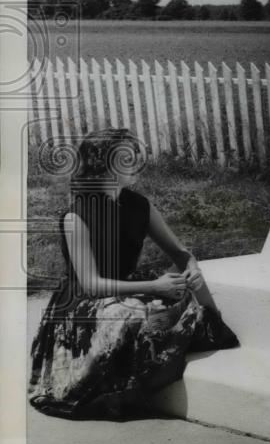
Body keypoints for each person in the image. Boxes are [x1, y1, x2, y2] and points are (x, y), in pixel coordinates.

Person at [29, 127, 239, 419]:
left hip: (123, 288)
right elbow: (90, 284)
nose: (136, 162)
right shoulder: (76, 216)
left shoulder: (140, 205)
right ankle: (115, 390)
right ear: (103, 165)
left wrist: (190, 268)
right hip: (82, 301)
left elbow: (180, 253)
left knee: (176, 298)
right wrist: (154, 286)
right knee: (130, 317)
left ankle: (202, 331)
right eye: (126, 157)